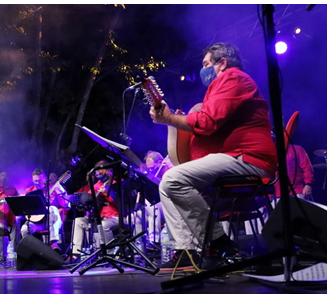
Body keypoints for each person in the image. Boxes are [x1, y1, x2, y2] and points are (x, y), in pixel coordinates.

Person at [150, 42, 277, 272]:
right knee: (166, 186)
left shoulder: (232, 78)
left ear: (223, 63)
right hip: (237, 157)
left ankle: (219, 244)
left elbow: (208, 123)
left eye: (207, 64)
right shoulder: (225, 85)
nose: (203, 70)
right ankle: (186, 250)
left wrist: (169, 119)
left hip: (249, 158)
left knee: (172, 180)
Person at [66, 162, 120, 264]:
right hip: (98, 218)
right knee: (78, 221)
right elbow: (88, 199)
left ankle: (109, 254)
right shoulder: (97, 185)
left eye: (101, 170)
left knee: (104, 225)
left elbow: (120, 202)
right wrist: (84, 203)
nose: (97, 173)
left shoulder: (117, 182)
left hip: (114, 217)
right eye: (96, 171)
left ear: (109, 171)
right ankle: (75, 254)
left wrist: (107, 192)